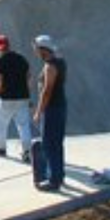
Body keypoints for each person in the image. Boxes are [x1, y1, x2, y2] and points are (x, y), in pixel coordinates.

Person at [31, 35, 68, 191]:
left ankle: (54, 180)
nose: (35, 52)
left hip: (52, 109)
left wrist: (38, 112)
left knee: (49, 144)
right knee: (56, 143)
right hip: (60, 107)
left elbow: (47, 91)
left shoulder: (50, 66)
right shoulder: (60, 62)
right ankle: (59, 175)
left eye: (37, 49)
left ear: (43, 50)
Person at [0, 34, 32, 161]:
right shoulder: (21, 59)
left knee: (2, 125)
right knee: (23, 125)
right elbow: (29, 77)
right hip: (22, 98)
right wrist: (28, 96)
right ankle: (27, 152)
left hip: (6, 99)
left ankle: (1, 148)